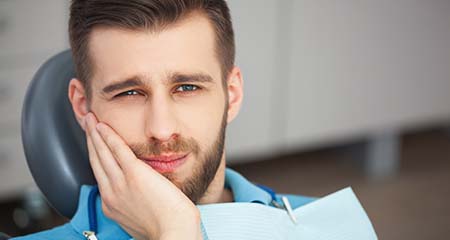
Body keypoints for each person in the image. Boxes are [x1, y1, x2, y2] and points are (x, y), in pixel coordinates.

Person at [13, 0, 315, 239]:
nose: (161, 129)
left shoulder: (324, 225)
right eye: (130, 93)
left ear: (232, 95)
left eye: (187, 87)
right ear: (82, 106)